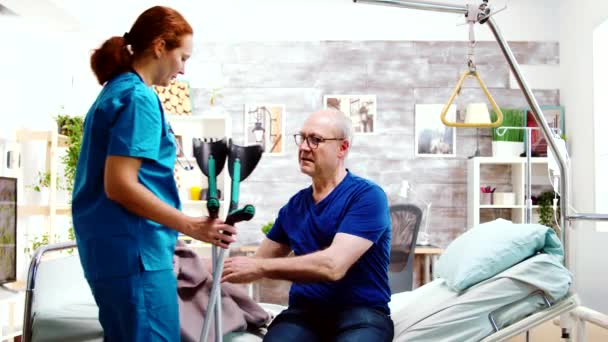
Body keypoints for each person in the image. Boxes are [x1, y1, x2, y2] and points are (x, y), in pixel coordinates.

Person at [71, 6, 236, 341]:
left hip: (117, 252)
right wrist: (190, 225)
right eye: (183, 58)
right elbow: (120, 185)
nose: (183, 70)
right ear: (160, 46)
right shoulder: (138, 98)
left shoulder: (116, 91)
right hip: (136, 255)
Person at [222, 109, 394, 341]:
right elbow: (254, 264)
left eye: (315, 140)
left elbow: (333, 266)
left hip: (361, 313)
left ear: (342, 148)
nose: (304, 147)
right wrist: (189, 264)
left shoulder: (367, 196)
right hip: (305, 314)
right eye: (302, 138)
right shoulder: (295, 206)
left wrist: (261, 267)